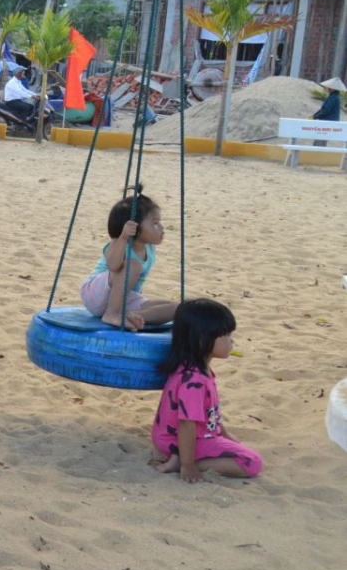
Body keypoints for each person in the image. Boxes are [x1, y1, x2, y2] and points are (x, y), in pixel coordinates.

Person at [151, 298, 262, 482]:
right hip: (182, 441)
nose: (231, 341)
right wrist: (188, 466)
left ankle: (184, 457)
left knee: (236, 448)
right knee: (252, 462)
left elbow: (208, 411)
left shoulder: (193, 367)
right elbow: (187, 424)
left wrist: (223, 433)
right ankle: (183, 461)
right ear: (203, 340)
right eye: (225, 335)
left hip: (172, 437)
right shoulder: (194, 380)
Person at [80, 194, 179, 332]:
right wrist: (123, 237)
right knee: (132, 265)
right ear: (134, 227)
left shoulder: (149, 249)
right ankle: (111, 314)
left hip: (122, 301)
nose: (162, 228)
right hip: (95, 294)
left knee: (178, 308)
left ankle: (135, 316)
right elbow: (113, 266)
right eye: (155, 223)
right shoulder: (118, 243)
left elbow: (135, 286)